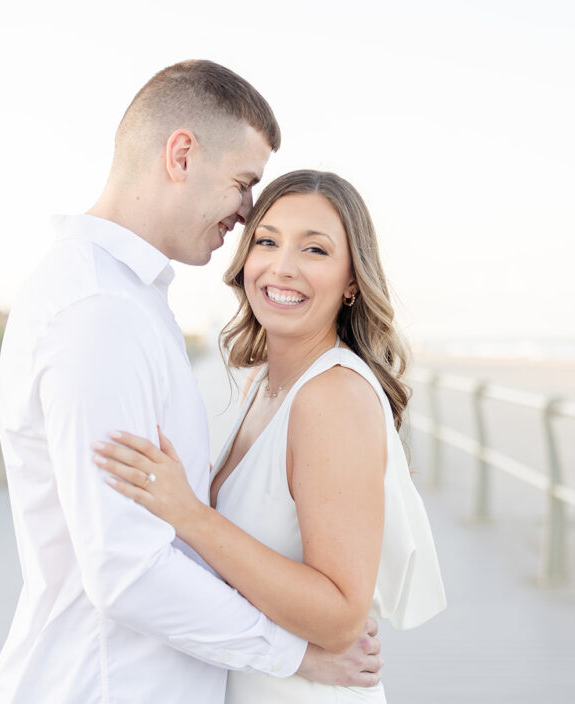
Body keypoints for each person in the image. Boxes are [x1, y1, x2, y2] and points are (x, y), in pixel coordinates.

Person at [0, 62, 383, 704]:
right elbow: (127, 569)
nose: (247, 212)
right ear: (180, 154)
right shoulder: (102, 312)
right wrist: (294, 656)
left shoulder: (124, 298)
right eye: (242, 182)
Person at [94, 170, 447, 702]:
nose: (283, 268)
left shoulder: (331, 397)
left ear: (352, 280)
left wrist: (189, 515)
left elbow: (340, 618)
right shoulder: (263, 382)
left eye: (315, 250)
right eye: (267, 241)